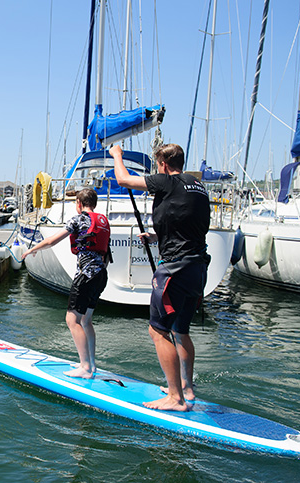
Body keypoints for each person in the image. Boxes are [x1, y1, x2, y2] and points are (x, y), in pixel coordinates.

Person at [110, 143, 211, 412]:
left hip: (175, 269)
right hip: (197, 268)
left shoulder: (168, 181)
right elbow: (187, 221)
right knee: (181, 330)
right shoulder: (197, 185)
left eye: (157, 166)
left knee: (158, 330)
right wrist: (158, 237)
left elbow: (123, 179)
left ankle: (176, 399)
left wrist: (117, 156)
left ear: (163, 165)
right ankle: (186, 387)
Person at [22, 188, 110, 379]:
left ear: (79, 203)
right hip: (101, 275)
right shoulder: (103, 221)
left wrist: (31, 250)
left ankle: (85, 367)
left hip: (85, 275)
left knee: (72, 320)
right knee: (86, 320)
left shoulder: (77, 219)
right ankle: (91, 364)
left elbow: (52, 241)